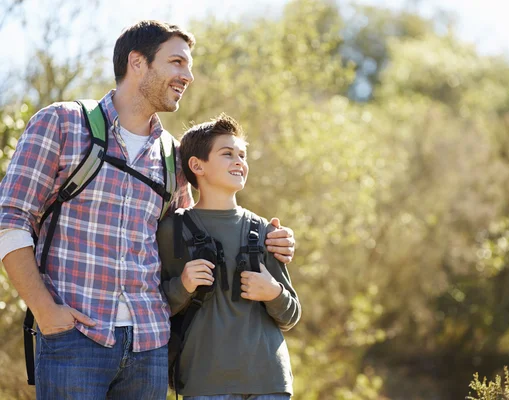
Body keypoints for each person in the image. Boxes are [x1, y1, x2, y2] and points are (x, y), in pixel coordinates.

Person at [0, 20, 294, 399]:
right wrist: (45, 311)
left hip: (150, 345)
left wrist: (272, 239)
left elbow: (192, 239)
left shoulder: (173, 156)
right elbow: (10, 220)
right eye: (176, 62)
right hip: (74, 337)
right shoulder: (61, 123)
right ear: (137, 62)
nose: (187, 76)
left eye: (188, 66)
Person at [158, 113, 301, 400]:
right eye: (227, 154)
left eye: (242, 155)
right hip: (205, 382)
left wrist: (272, 292)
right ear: (197, 165)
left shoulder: (265, 231)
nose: (240, 162)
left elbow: (291, 315)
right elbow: (154, 307)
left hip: (270, 381)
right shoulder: (172, 228)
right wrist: (182, 286)